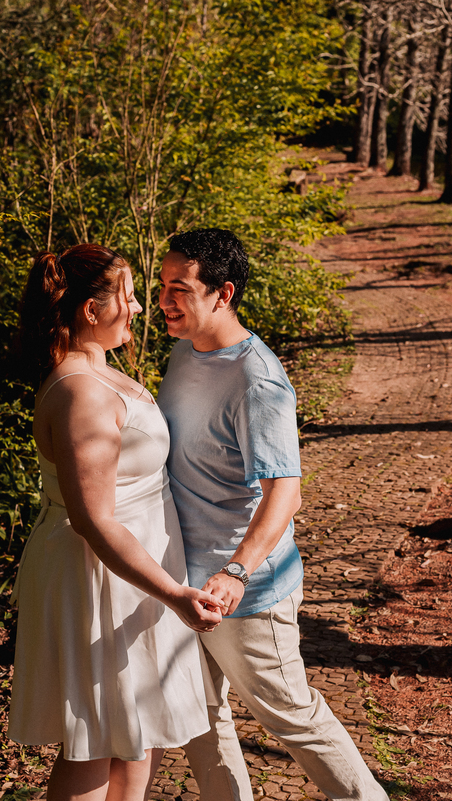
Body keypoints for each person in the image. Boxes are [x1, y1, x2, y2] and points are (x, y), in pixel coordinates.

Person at [157, 229, 390, 801]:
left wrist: (236, 571)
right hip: (183, 582)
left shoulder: (256, 381)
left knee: (293, 717)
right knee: (201, 719)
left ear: (223, 294)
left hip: (244, 591)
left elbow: (285, 493)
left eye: (179, 289)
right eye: (162, 286)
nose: (164, 300)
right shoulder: (184, 351)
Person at [8, 243, 225, 801]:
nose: (139, 307)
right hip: (100, 575)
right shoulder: (81, 393)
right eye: (128, 296)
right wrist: (174, 594)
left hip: (138, 569)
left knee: (135, 739)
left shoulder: (101, 371)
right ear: (91, 310)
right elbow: (92, 519)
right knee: (96, 745)